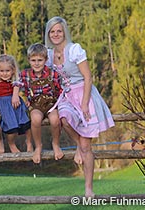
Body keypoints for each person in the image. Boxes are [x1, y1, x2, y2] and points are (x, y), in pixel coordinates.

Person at [45, 16, 115, 198]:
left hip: (84, 94)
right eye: (52, 31)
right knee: (64, 120)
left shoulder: (75, 50)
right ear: (48, 34)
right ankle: (78, 145)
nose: (56, 34)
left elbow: (88, 77)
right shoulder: (49, 54)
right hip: (66, 97)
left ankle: (88, 189)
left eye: (59, 30)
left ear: (64, 31)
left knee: (87, 147)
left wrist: (84, 103)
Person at [20, 43, 64, 164]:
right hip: (35, 104)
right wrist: (25, 101)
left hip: (51, 103)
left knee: (55, 120)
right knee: (35, 119)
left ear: (46, 60)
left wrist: (60, 103)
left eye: (40, 60)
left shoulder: (53, 73)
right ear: (29, 60)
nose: (37, 63)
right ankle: (38, 146)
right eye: (33, 60)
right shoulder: (25, 74)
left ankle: (55, 143)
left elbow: (60, 89)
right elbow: (21, 89)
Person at [0, 54, 33, 153]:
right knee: (11, 127)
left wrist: (20, 97)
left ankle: (29, 142)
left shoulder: (15, 79)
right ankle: (11, 144)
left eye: (7, 71)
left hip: (16, 103)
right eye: (1, 71)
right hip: (4, 104)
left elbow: (19, 87)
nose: (5, 74)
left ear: (13, 70)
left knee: (26, 123)